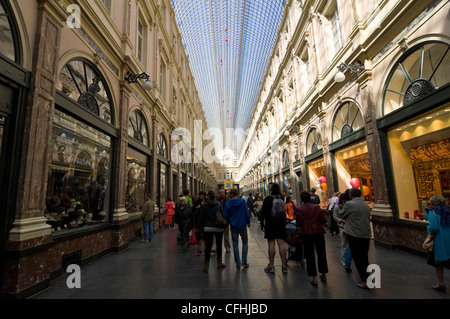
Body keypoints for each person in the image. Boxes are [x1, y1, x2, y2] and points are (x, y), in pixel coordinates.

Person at [339, 188, 372, 289]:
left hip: (354, 233)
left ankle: (365, 280)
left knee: (357, 257)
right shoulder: (366, 205)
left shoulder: (349, 204)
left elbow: (341, 215)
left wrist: (342, 206)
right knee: (364, 257)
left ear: (351, 195)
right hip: (365, 234)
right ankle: (369, 277)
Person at [295, 191, 328, 286]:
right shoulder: (316, 207)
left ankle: (314, 278)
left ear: (302, 199)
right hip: (318, 232)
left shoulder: (300, 209)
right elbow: (323, 220)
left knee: (310, 255)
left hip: (307, 234)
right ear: (310, 198)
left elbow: (298, 223)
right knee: (321, 253)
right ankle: (323, 274)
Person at [260, 183, 288, 274]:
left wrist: (262, 223)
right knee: (281, 244)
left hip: (270, 223)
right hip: (280, 223)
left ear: (271, 189)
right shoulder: (281, 198)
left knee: (271, 244)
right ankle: (284, 266)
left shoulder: (268, 199)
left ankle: (271, 266)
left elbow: (263, 212)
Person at [198, 190, 226, 273]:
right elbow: (223, 215)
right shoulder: (218, 204)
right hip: (218, 228)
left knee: (208, 247)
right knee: (219, 245)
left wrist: (200, 226)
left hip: (208, 228)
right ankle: (219, 263)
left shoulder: (205, 205)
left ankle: (206, 267)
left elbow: (201, 217)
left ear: (208, 196)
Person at [426, 195, 450, 292]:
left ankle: (440, 283)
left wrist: (428, 229)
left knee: (439, 263)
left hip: (440, 240)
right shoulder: (448, 210)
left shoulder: (433, 212)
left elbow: (433, 227)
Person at [225, 188, 251, 270]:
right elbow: (247, 212)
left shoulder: (228, 203)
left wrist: (230, 221)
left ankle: (238, 264)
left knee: (235, 244)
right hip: (242, 225)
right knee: (245, 243)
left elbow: (226, 215)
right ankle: (244, 261)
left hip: (233, 226)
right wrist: (248, 221)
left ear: (231, 194)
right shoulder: (243, 202)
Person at [333, 192, 352, 272]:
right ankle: (343, 260)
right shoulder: (337, 207)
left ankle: (348, 260)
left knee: (351, 245)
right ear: (343, 200)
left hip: (351, 227)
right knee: (344, 244)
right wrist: (341, 221)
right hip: (343, 227)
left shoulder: (350, 206)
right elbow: (335, 216)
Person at [193, 191, 207, 256]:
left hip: (205, 222)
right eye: (200, 195)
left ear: (204, 196)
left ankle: (205, 249)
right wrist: (196, 208)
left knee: (205, 236)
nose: (200, 196)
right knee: (198, 235)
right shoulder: (197, 202)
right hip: (198, 221)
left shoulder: (207, 202)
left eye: (201, 195)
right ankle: (199, 248)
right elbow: (192, 210)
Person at [217, 189, 231, 253]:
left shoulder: (228, 200)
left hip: (226, 219)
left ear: (224, 193)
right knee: (217, 234)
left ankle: (227, 247)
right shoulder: (217, 200)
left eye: (222, 192)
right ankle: (217, 247)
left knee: (226, 234)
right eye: (220, 192)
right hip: (218, 219)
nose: (221, 194)